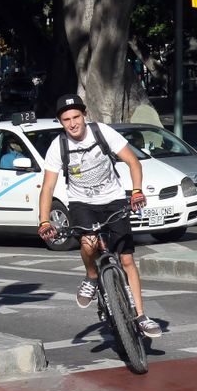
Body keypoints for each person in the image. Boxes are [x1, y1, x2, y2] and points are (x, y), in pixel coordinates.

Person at [35, 93, 162, 338]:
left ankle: (141, 316)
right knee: (88, 243)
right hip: (82, 203)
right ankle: (92, 276)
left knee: (127, 259)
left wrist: (136, 191)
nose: (72, 124)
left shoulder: (102, 132)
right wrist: (44, 221)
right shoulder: (58, 146)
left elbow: (133, 162)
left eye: (76, 117)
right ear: (61, 122)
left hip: (113, 199)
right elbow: (48, 187)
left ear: (84, 115)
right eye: (66, 120)